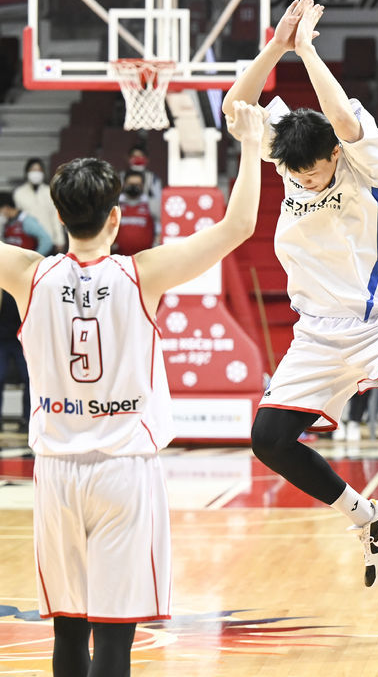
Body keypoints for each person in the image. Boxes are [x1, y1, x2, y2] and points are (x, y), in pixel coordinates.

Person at [0, 101, 262, 677]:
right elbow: (239, 226)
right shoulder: (142, 273)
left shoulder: (24, 273)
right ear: (116, 218)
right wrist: (248, 142)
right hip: (123, 470)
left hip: (55, 474)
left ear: (58, 214)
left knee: (67, 632)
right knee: (115, 641)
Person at [222, 0, 378, 590]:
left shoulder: (369, 160)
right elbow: (236, 104)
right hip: (317, 328)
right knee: (268, 439)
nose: (303, 182)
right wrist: (277, 44)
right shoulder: (288, 147)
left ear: (334, 157)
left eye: (312, 173)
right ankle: (362, 516)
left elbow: (341, 118)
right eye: (295, 177)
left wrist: (308, 49)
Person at [13, 158, 63, 251]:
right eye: (33, 170)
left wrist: (59, 240)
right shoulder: (19, 193)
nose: (36, 173)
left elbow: (55, 217)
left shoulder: (49, 191)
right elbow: (17, 218)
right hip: (27, 242)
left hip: (49, 241)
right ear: (27, 172)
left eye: (39, 170)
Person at [0, 288, 29, 432]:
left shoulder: (22, 286)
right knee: (0, 377)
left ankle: (28, 419)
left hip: (21, 340)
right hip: (2, 341)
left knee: (29, 378)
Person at [113, 169, 160, 255]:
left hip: (145, 257)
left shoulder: (151, 204)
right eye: (130, 184)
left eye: (137, 185)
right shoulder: (115, 204)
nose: (134, 187)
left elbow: (159, 226)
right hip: (119, 256)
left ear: (142, 186)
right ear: (124, 184)